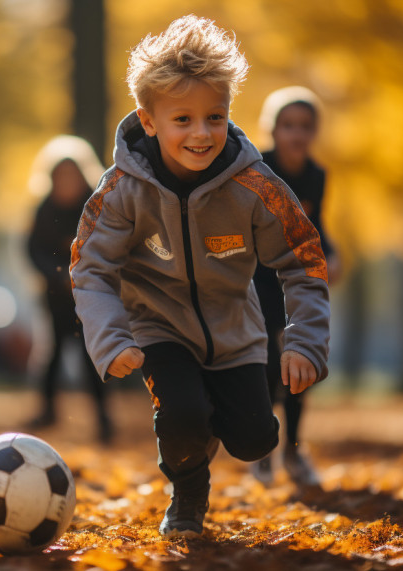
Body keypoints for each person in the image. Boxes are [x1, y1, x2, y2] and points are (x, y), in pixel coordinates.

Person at [70, 15, 330, 537]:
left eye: (215, 117)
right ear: (149, 121)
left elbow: (302, 259)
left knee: (257, 440)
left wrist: (304, 341)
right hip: (158, 330)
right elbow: (90, 267)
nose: (201, 133)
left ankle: (204, 422)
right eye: (182, 119)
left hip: (237, 336)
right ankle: (187, 496)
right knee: (183, 417)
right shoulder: (124, 190)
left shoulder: (255, 186)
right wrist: (110, 338)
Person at [249, 87, 339, 487]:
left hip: (296, 281)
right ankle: (264, 451)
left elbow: (314, 228)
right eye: (288, 126)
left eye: (304, 126)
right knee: (269, 365)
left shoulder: (317, 177)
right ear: (272, 130)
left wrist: (331, 254)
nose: (296, 134)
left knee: (300, 362)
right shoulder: (257, 170)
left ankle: (294, 451)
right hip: (257, 278)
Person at [25, 135, 113, 443]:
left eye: (71, 175)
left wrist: (84, 275)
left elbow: (108, 244)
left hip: (92, 295)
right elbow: (33, 250)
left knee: (93, 355)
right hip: (55, 296)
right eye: (60, 176)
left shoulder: (96, 205)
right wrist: (56, 275)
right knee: (53, 354)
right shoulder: (44, 210)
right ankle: (48, 410)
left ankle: (103, 417)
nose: (66, 182)